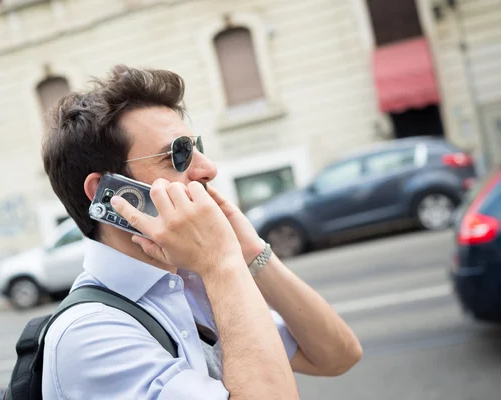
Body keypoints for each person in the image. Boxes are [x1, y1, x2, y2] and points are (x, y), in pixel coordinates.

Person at [41, 65, 362, 399]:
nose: (208, 169)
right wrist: (221, 264)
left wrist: (250, 253)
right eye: (177, 155)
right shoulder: (90, 334)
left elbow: (337, 356)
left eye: (196, 148)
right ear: (110, 193)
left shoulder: (190, 285)